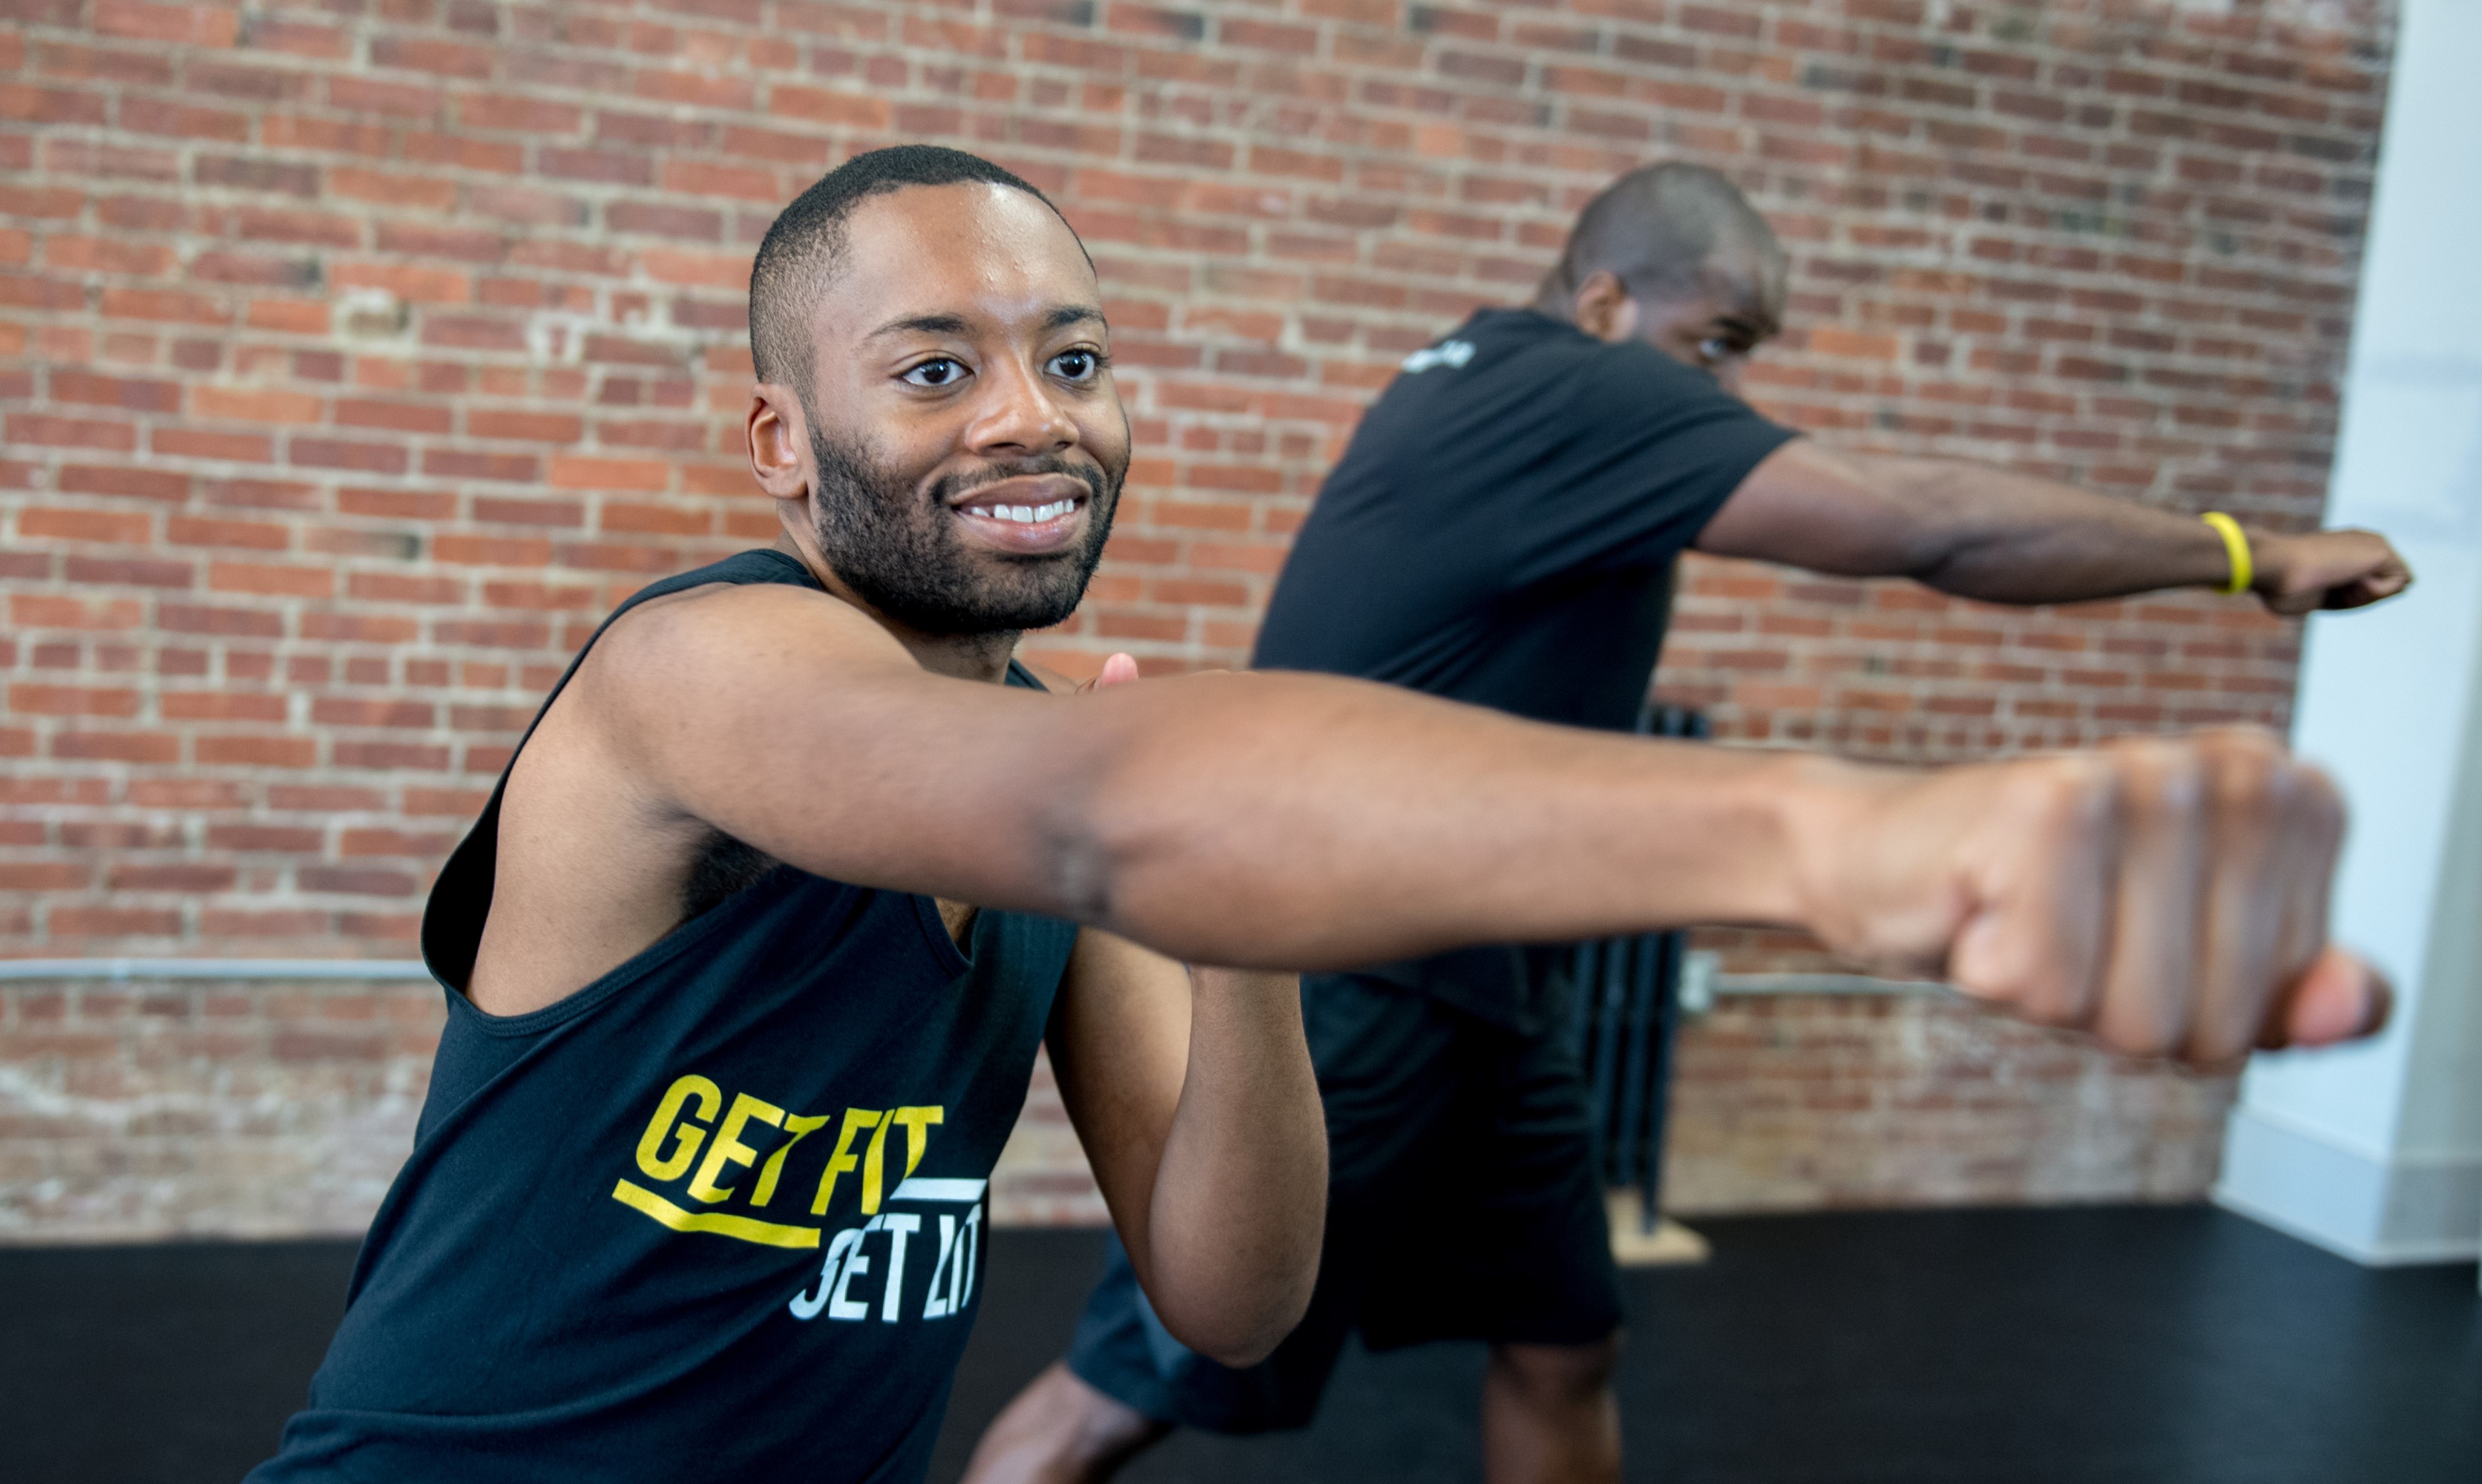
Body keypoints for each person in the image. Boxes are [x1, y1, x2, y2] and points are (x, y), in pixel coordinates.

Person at [247, 147, 2387, 1484]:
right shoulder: (694, 672)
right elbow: (1101, 806)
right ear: (778, 443)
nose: (1031, 418)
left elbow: (1233, 1298)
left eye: (1075, 359)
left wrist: (1238, 938)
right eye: (933, 369)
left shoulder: (1059, 796)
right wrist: (1846, 842)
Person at [964, 161, 2414, 1484]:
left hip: (1492, 990)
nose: (1723, 388)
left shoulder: (1489, 379)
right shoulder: (1565, 388)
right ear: (1605, 302)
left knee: (1563, 1342)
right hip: (1366, 984)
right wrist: (2249, 555)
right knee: (1126, 1388)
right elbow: (1928, 521)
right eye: (1715, 344)